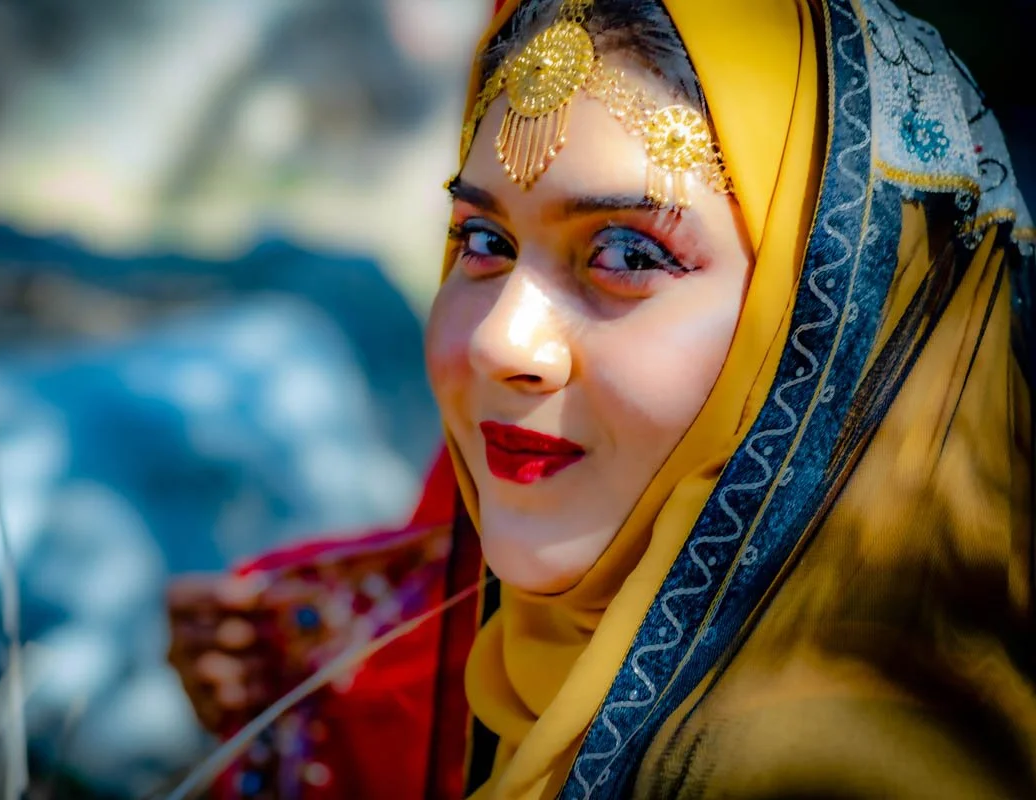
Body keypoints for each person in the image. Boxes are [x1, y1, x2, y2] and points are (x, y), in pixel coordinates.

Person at [167, 0, 1036, 797]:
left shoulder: (822, 775)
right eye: (482, 239)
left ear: (839, 319)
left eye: (626, 253)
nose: (501, 341)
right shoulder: (514, 653)